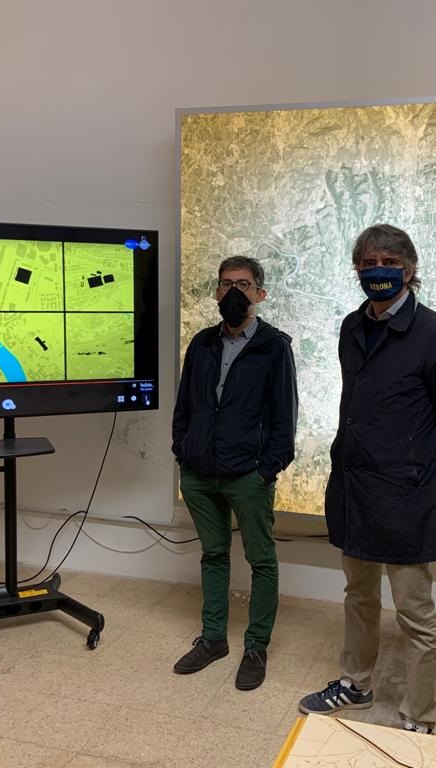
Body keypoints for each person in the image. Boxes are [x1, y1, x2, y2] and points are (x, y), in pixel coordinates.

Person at [299, 224, 436, 734]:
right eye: (368, 262)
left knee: (414, 613)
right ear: (356, 269)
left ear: (410, 269)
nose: (378, 270)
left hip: (404, 494)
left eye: (389, 262)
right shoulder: (351, 327)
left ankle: (418, 714)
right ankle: (356, 684)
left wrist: (415, 461)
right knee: (358, 594)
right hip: (354, 487)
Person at [171, 255, 298, 691]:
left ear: (260, 294)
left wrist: (267, 470)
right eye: (226, 284)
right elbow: (184, 406)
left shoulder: (274, 347)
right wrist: (182, 449)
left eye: (243, 284)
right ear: (216, 292)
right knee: (213, 555)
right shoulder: (201, 344)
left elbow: (285, 419)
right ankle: (213, 640)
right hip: (199, 473)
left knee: (261, 561)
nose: (233, 292)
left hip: (248, 475)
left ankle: (256, 647)